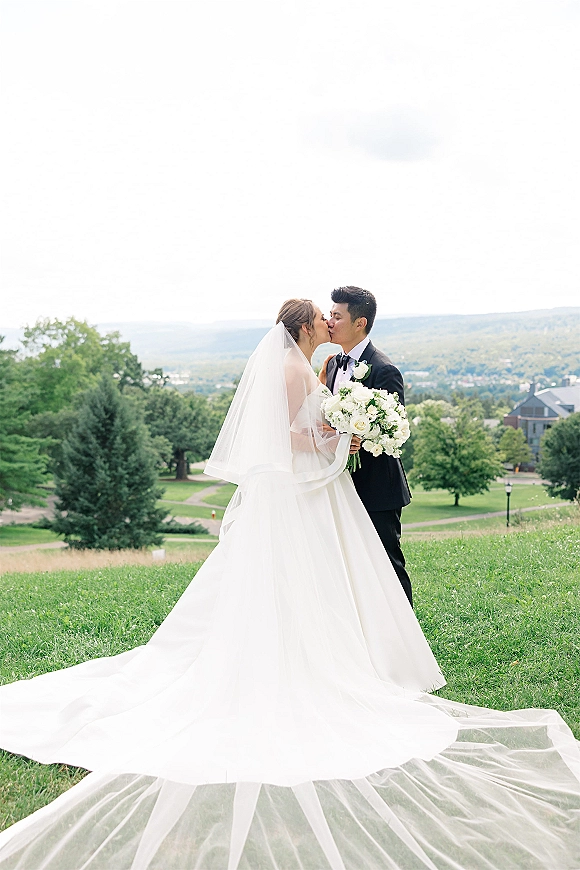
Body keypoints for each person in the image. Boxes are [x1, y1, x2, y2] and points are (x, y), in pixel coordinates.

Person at [0, 300, 578, 869]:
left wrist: (346, 434)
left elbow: (305, 429)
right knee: (291, 572)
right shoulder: (295, 368)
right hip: (296, 487)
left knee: (310, 575)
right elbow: (291, 436)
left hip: (304, 489)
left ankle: (313, 646)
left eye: (336, 315)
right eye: (321, 317)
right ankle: (291, 655)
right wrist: (339, 439)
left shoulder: (311, 366)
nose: (329, 322)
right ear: (305, 328)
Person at [322, 286, 414, 605]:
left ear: (359, 323)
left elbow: (394, 429)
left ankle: (407, 642)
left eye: (337, 316)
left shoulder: (384, 369)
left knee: (387, 564)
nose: (329, 321)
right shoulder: (333, 364)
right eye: (329, 314)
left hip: (377, 488)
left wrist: (361, 437)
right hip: (340, 483)